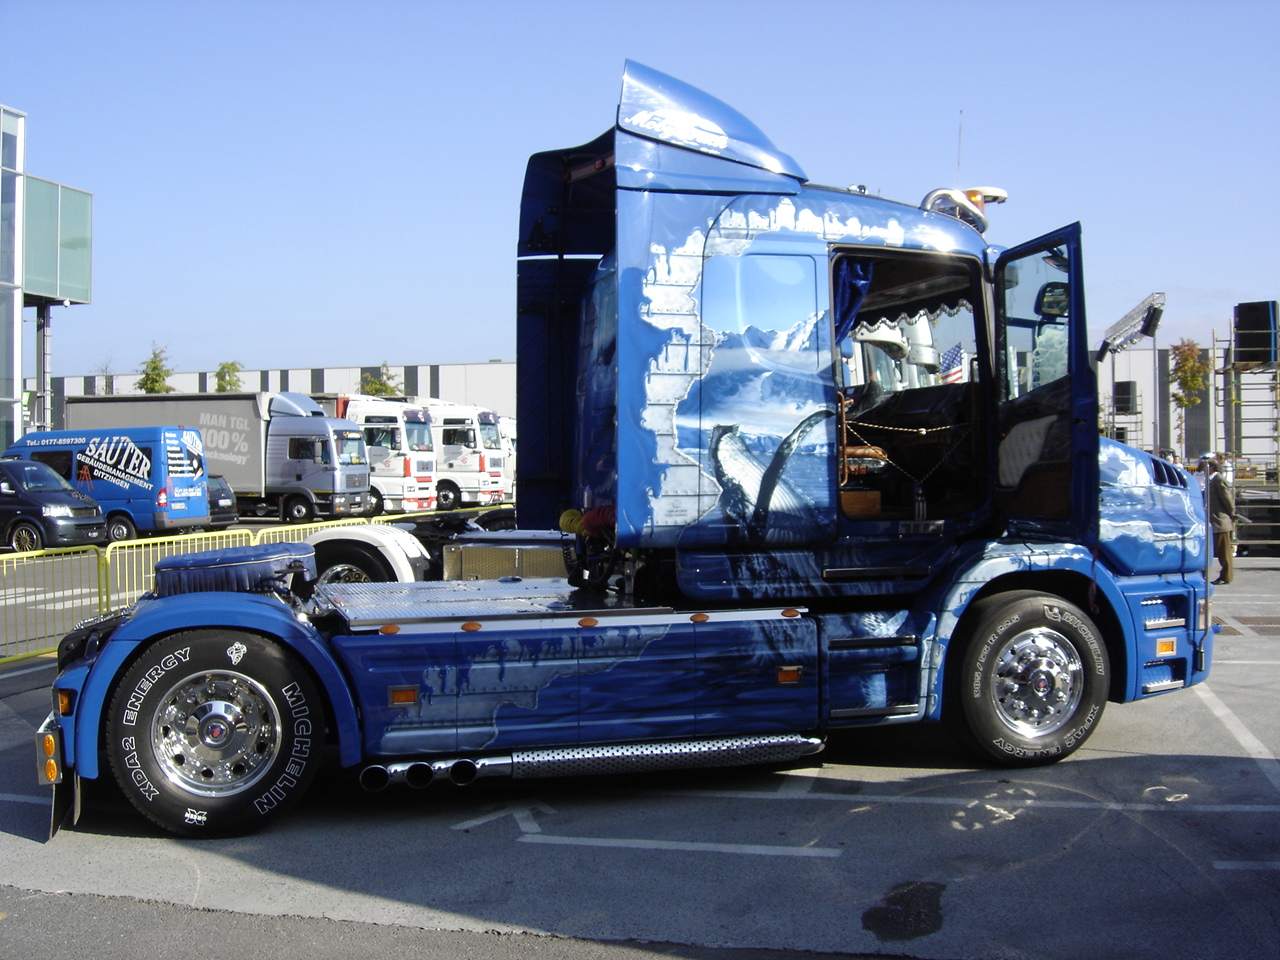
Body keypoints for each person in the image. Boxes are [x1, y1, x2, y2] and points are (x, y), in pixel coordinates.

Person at [1206, 458, 1238, 585]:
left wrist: (1232, 513)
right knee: (1220, 551)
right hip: (1214, 520)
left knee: (1224, 552)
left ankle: (1226, 576)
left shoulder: (1218, 479)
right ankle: (1225, 575)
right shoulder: (1212, 479)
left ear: (1212, 467)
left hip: (1220, 521)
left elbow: (1226, 498)